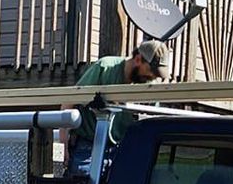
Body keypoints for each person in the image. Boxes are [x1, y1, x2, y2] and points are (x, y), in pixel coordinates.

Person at [66, 38, 170, 173]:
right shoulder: (105, 68)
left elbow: (151, 121)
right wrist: (63, 143)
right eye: (152, 71)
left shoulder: (150, 86)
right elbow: (69, 100)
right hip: (88, 146)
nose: (152, 76)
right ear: (138, 59)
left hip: (122, 150)